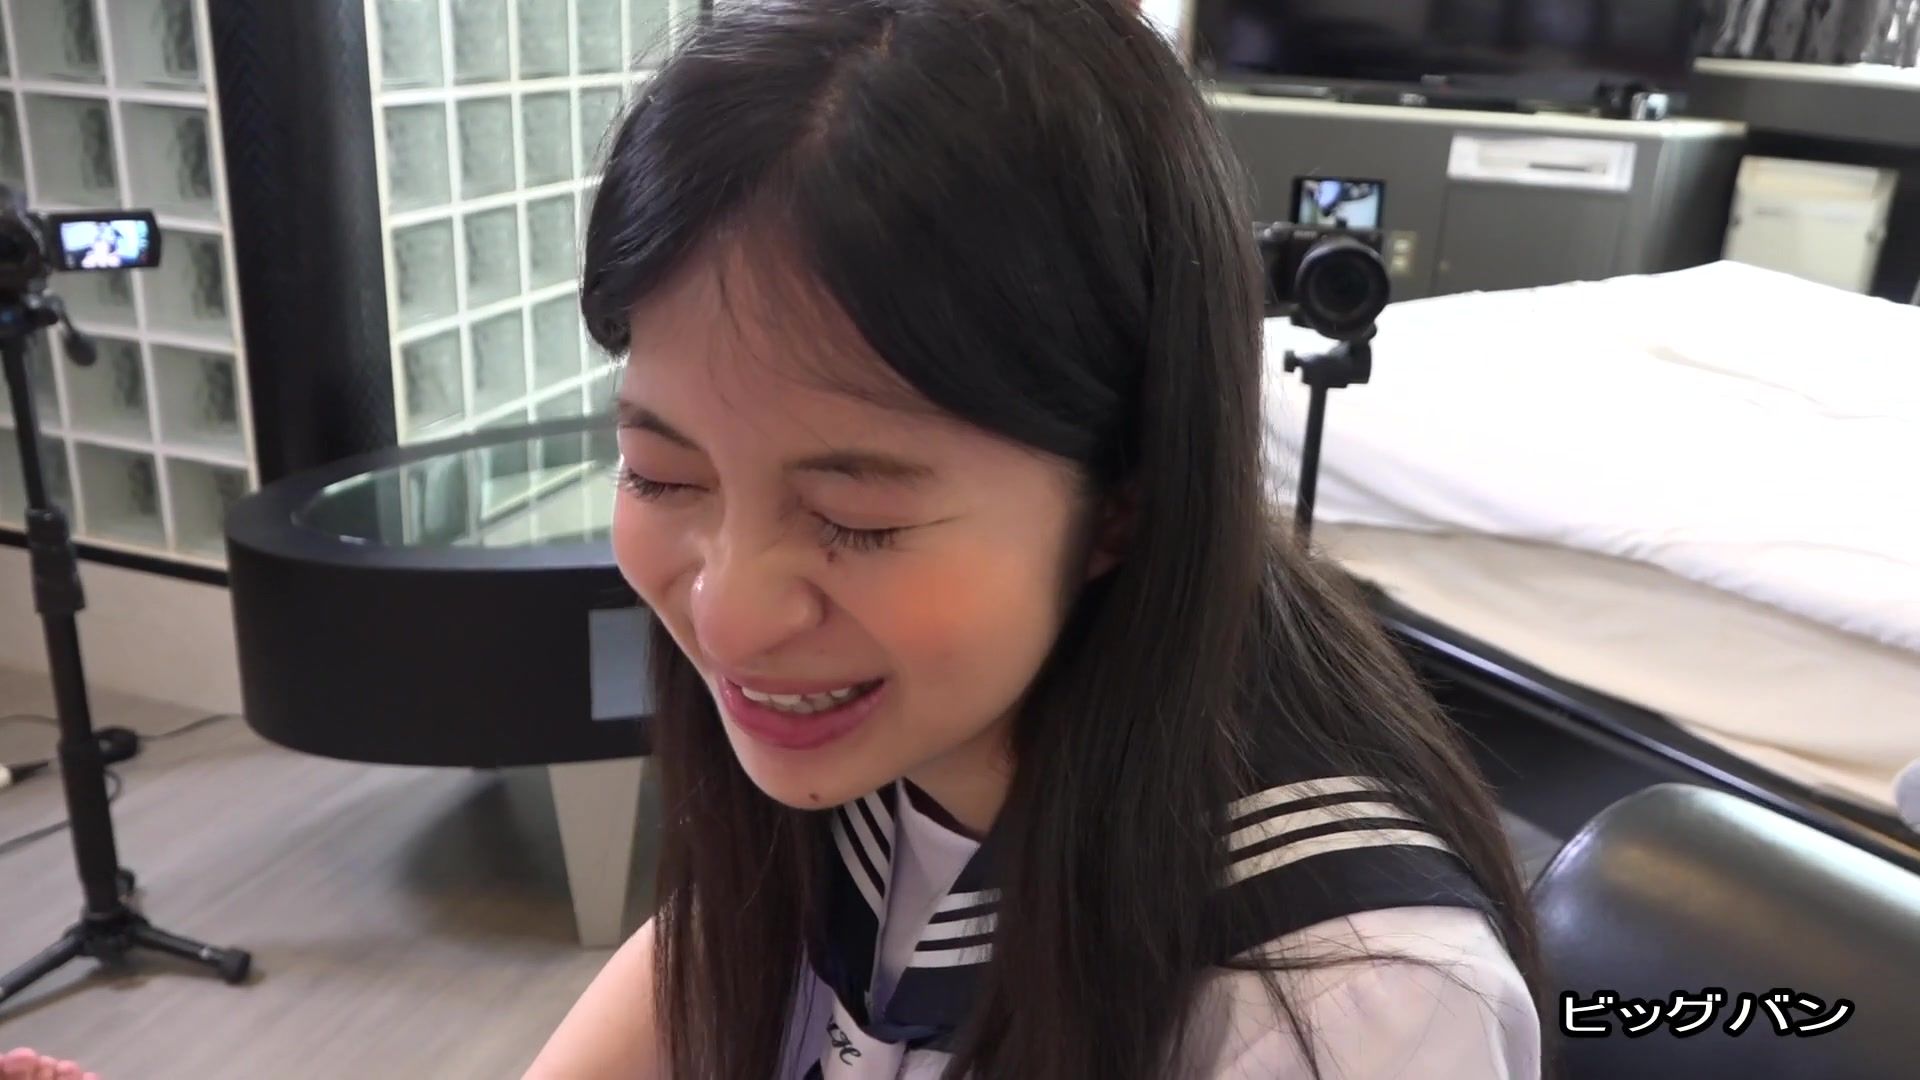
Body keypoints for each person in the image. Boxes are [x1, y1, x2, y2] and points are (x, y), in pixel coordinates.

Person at [529, 0, 1545, 1077]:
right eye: (662, 474)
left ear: (1122, 502)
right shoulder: (887, 740)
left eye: (856, 521)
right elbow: (713, 958)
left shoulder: (1343, 1009)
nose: (729, 616)